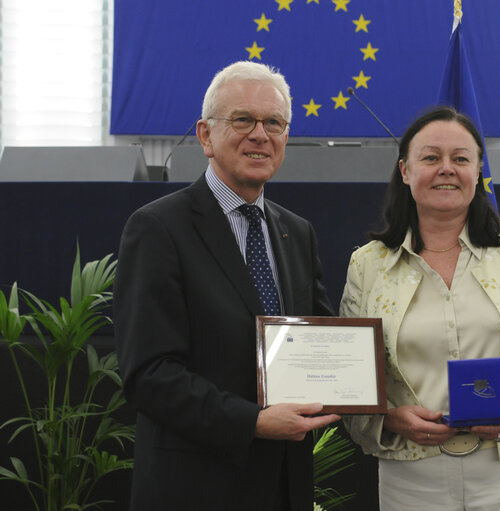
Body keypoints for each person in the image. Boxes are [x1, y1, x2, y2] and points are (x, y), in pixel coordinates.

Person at [339, 106, 500, 510]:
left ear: (477, 172)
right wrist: (390, 416)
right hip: (412, 476)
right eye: (430, 157)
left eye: (461, 159)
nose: (446, 169)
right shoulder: (368, 264)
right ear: (405, 171)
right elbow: (351, 377)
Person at [114, 61, 340, 511]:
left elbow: (322, 342)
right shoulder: (158, 228)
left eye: (273, 122)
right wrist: (253, 421)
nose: (260, 134)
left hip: (283, 485)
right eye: (242, 119)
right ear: (204, 136)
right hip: (195, 489)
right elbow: (149, 375)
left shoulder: (296, 232)